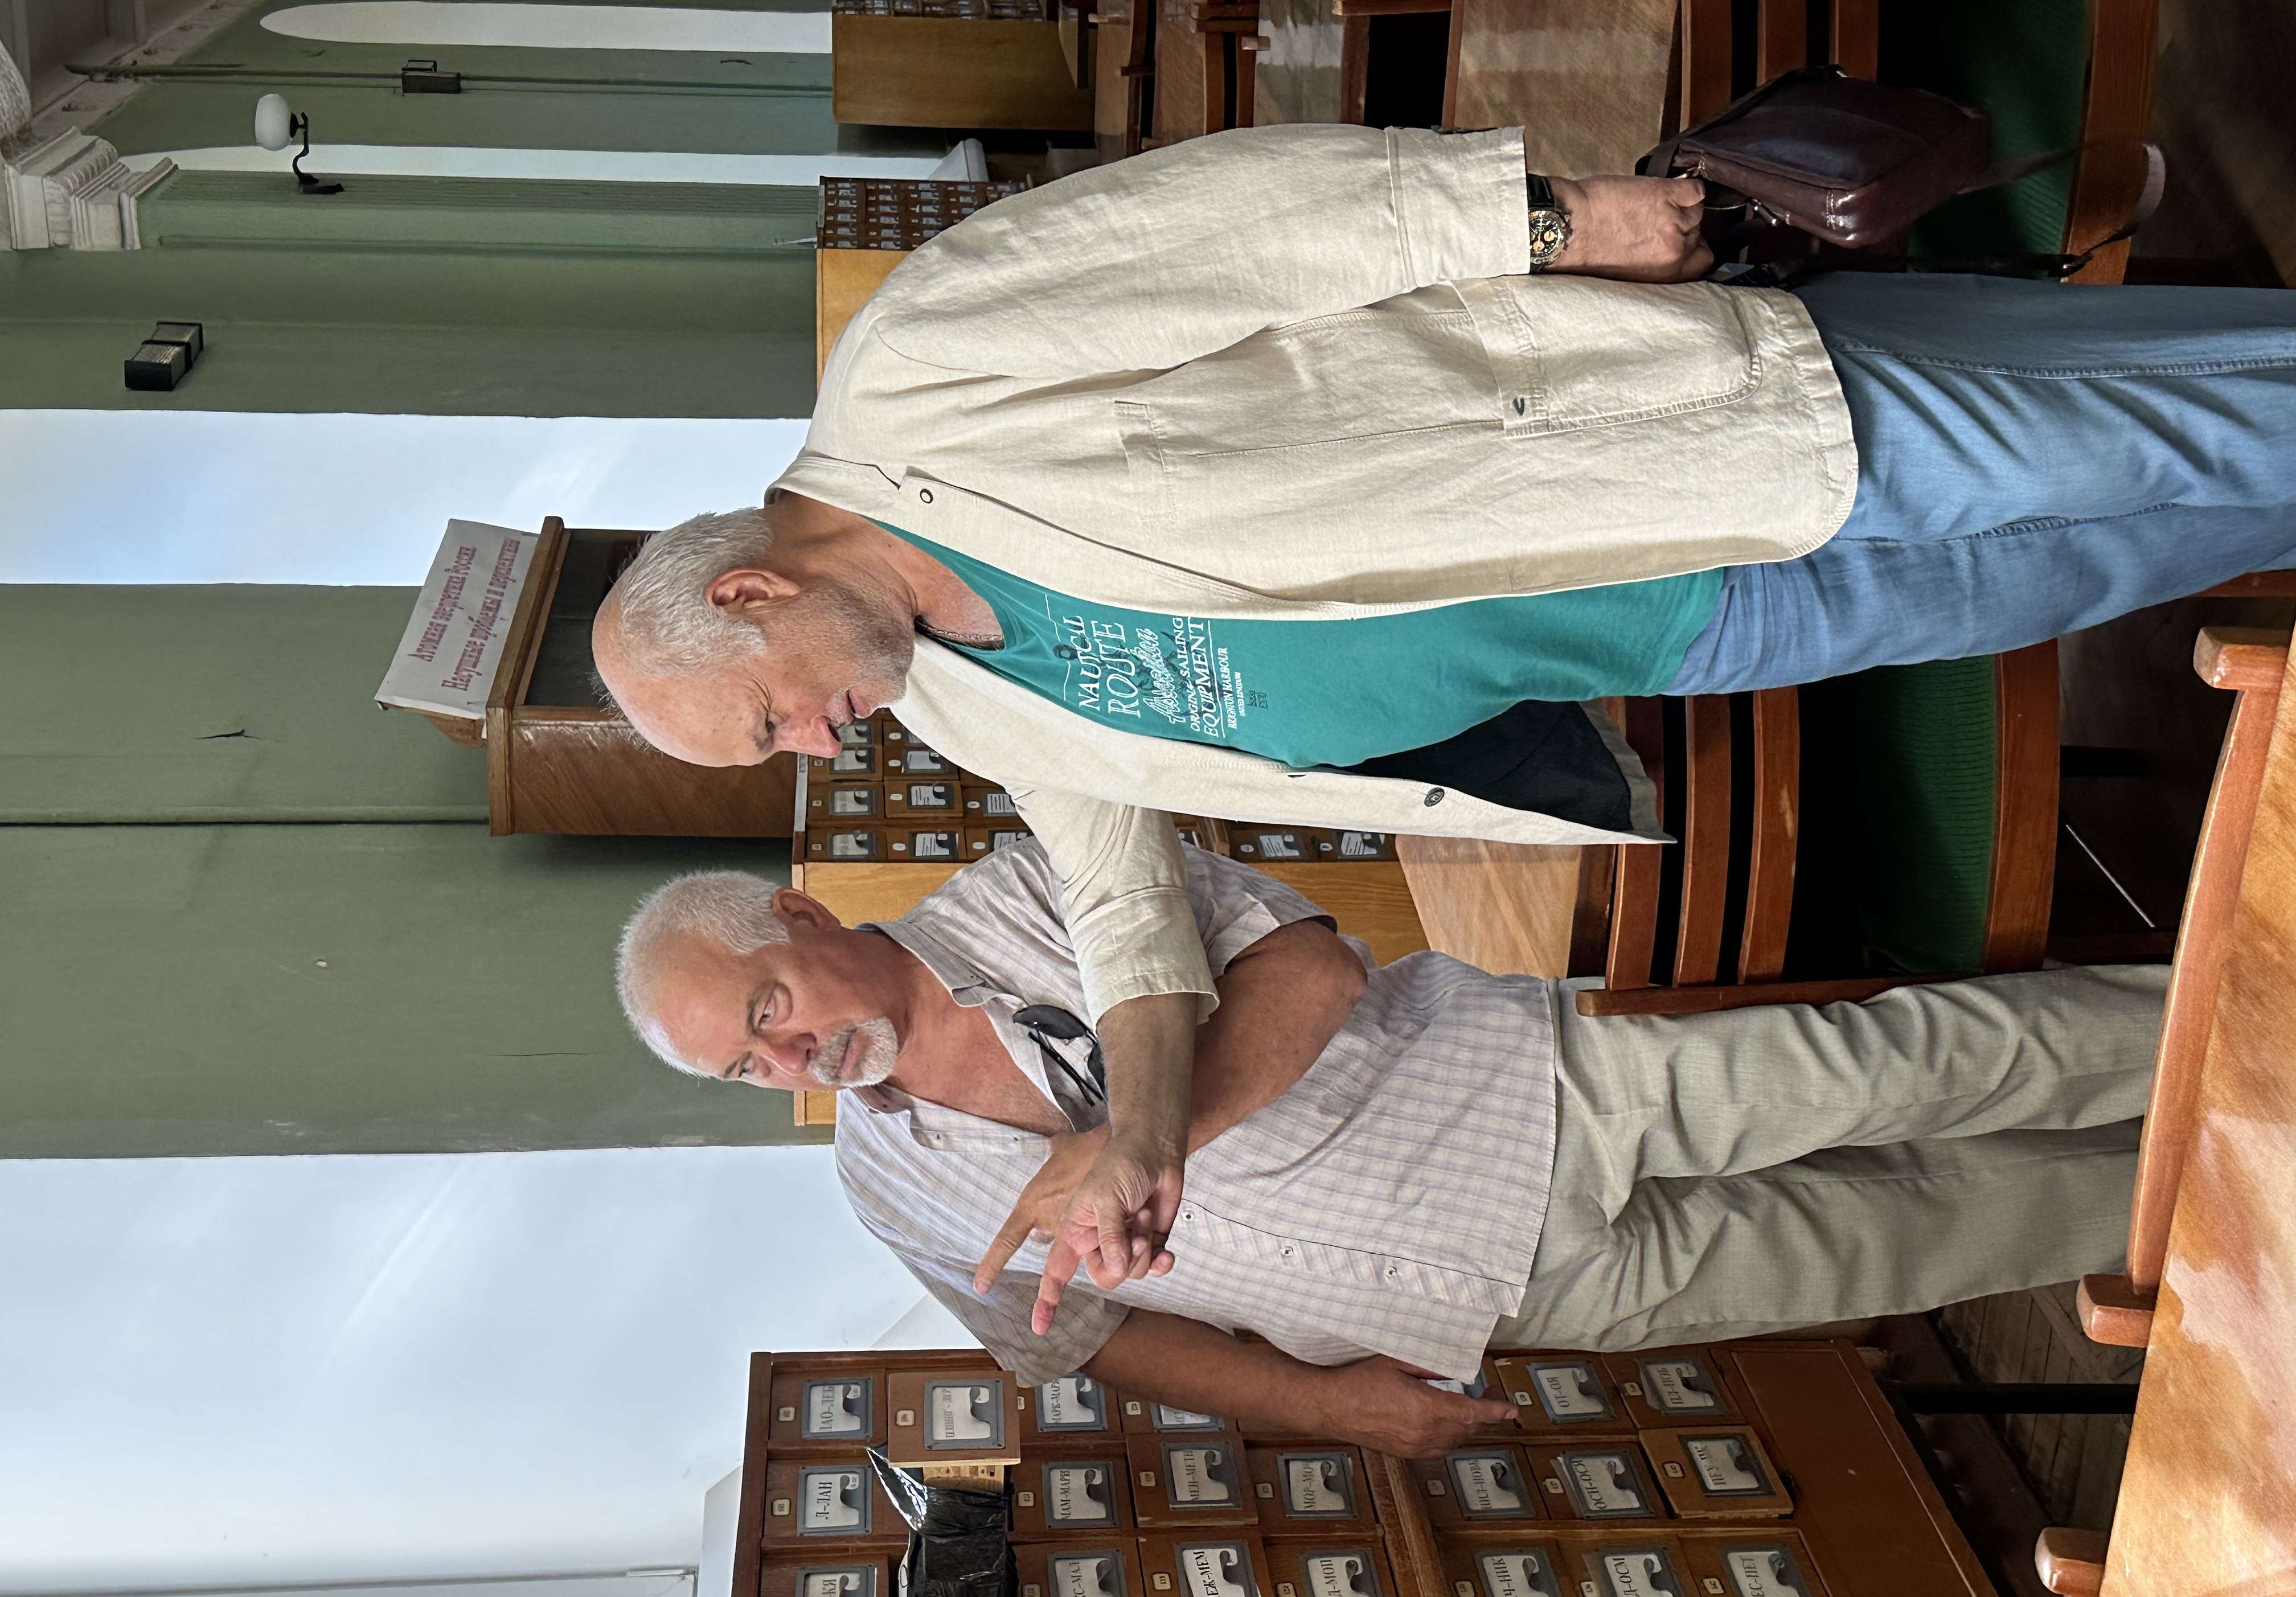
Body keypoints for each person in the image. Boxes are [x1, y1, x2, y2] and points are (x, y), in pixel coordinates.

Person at [591, 123, 2291, 1313]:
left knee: (2213, 424)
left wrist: (1555, 222)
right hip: (1701, 619)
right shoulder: (968, 711)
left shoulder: (915, 373)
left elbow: (1235, 231)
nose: (820, 747)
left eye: (771, 722)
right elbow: (1124, 918)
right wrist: (1145, 1129)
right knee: (2147, 549)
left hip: (1681, 436)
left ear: (746, 595)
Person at [612, 841, 2164, 1456]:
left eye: (768, 1010)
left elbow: (1310, 969)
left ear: (801, 916)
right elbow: (1093, 1341)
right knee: (1924, 1235)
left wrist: (1139, 1143)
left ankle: (2242, 1017)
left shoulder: (1032, 888)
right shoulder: (883, 1184)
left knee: (1920, 1067)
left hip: (1544, 1089)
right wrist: (1326, 1403)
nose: (789, 1062)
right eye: (750, 1068)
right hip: (1494, 1290)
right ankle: (2244, 1196)